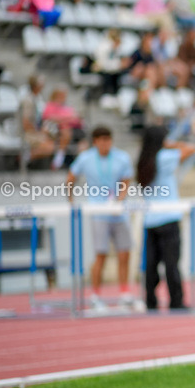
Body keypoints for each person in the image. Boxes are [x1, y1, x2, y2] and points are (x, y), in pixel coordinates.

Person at [67, 126, 134, 310]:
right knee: (101, 255)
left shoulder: (121, 157)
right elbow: (71, 177)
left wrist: (119, 200)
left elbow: (126, 180)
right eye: (102, 140)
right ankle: (96, 295)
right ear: (95, 141)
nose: (105, 144)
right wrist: (71, 201)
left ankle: (124, 292)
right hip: (98, 212)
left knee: (124, 253)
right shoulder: (86, 158)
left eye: (108, 140)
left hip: (118, 211)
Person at [136, 125, 195, 311]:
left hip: (150, 219)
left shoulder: (142, 161)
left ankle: (151, 301)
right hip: (169, 217)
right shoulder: (166, 157)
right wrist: (169, 144)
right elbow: (192, 148)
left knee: (151, 265)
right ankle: (176, 301)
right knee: (172, 264)